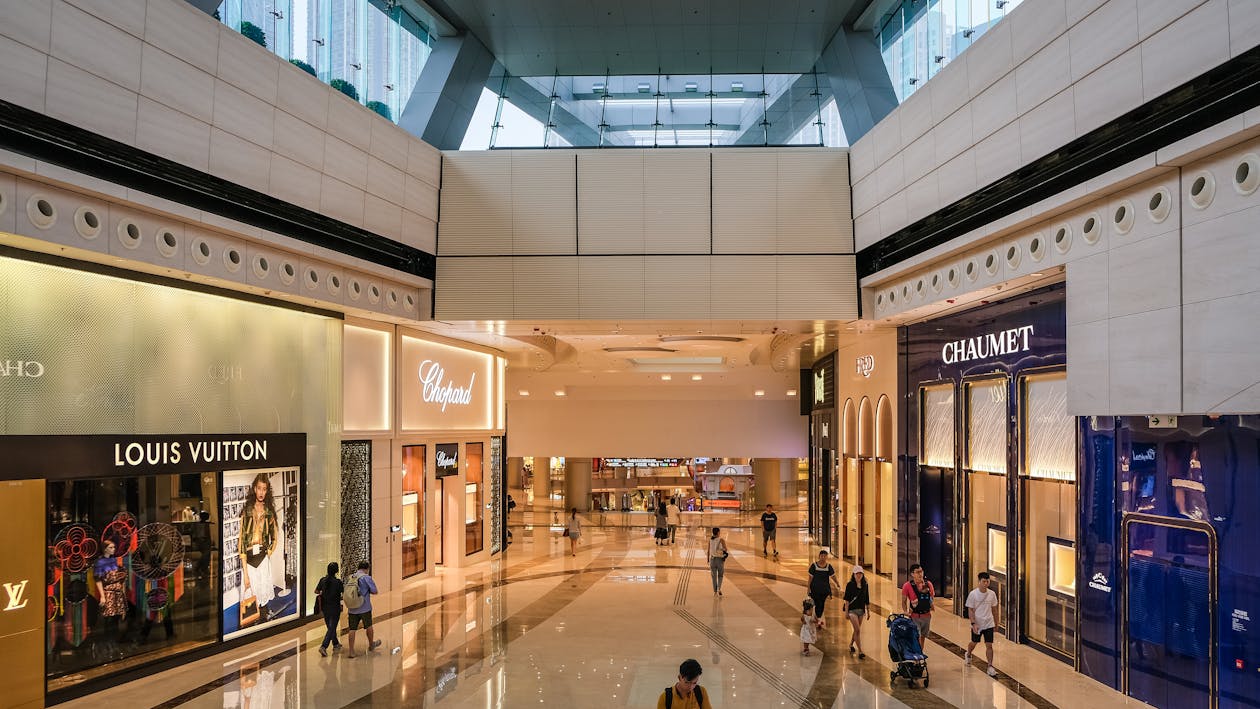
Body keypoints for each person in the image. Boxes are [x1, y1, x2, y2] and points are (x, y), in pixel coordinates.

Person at [240, 473, 280, 622]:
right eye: (259, 488)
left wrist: (268, 551)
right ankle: (255, 619)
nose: (261, 492)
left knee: (263, 589)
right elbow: (242, 542)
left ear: (267, 490)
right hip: (249, 559)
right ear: (254, 489)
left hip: (263, 558)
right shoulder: (248, 511)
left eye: (264, 489)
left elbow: (275, 536)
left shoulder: (269, 512)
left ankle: (263, 617)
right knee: (252, 590)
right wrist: (245, 573)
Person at [965, 571, 1000, 677]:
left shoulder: (992, 594)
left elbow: (994, 610)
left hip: (989, 623)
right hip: (977, 623)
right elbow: (970, 610)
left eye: (987, 581)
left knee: (989, 645)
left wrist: (996, 623)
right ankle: (969, 653)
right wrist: (973, 623)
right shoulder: (973, 594)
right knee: (974, 642)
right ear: (979, 582)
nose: (986, 583)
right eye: (984, 581)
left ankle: (990, 666)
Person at [345, 560, 381, 658]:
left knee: (352, 629)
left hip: (352, 608)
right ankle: (371, 645)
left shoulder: (350, 577)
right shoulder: (366, 578)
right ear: (367, 569)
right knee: (368, 626)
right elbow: (375, 591)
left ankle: (351, 651)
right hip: (364, 607)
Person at [314, 562, 344, 656]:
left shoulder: (322, 580)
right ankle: (323, 646)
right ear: (336, 571)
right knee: (332, 627)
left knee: (330, 627)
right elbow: (343, 593)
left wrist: (323, 593)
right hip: (335, 607)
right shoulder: (338, 582)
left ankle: (335, 643)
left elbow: (316, 591)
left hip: (325, 608)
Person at [901, 563, 936, 641]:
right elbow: (903, 601)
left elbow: (931, 599)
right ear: (912, 574)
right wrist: (905, 611)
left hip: (926, 616)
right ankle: (917, 652)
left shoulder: (928, 584)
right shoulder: (907, 586)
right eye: (918, 572)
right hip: (914, 616)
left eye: (921, 571)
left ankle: (920, 652)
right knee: (917, 637)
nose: (920, 574)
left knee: (923, 637)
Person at [807, 549, 840, 627]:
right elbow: (810, 578)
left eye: (825, 556)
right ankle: (818, 618)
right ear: (819, 556)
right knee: (817, 603)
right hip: (815, 589)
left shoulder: (828, 567)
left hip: (824, 590)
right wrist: (808, 588)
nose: (823, 558)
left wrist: (837, 583)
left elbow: (833, 576)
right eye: (822, 556)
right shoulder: (814, 566)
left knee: (821, 603)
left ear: (826, 557)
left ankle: (818, 617)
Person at [842, 565, 870, 658]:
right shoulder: (850, 585)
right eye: (857, 573)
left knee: (856, 630)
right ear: (853, 574)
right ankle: (860, 651)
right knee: (858, 630)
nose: (859, 575)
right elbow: (847, 600)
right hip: (852, 610)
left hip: (861, 610)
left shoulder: (865, 585)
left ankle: (851, 644)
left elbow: (866, 598)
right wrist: (846, 612)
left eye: (860, 573)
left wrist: (868, 611)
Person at [707, 527, 729, 596]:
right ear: (718, 532)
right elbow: (726, 549)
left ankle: (715, 592)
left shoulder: (710, 540)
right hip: (719, 560)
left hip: (712, 560)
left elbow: (708, 551)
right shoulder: (721, 540)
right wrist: (722, 549)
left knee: (713, 577)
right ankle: (719, 588)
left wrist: (708, 560)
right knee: (720, 575)